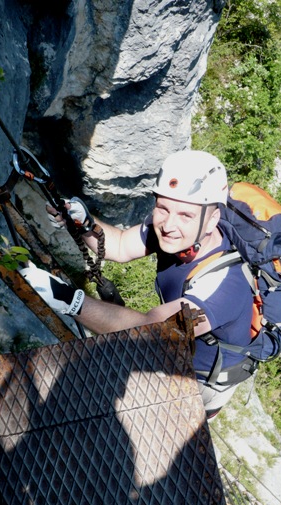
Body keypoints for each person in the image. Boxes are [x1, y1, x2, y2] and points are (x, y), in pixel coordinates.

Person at [20, 150, 256, 418]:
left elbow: (151, 331)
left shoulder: (224, 287)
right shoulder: (179, 233)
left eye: (185, 215)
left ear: (212, 219)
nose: (168, 225)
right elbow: (120, 245)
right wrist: (85, 224)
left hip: (199, 381)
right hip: (170, 347)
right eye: (163, 208)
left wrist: (68, 299)